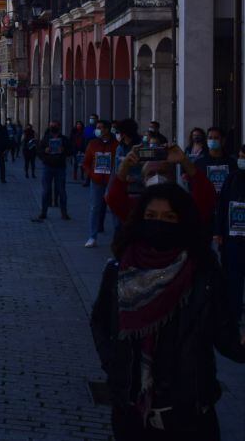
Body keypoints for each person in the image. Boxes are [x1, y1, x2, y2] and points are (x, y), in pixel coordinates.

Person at [90, 182, 245, 439]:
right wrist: (114, 366)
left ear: (183, 222)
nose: (159, 224)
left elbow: (226, 337)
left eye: (169, 217)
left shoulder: (201, 274)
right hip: (132, 413)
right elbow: (101, 323)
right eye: (151, 216)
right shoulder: (119, 271)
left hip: (190, 416)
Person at [215, 144, 245, 332]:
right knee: (233, 279)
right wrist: (218, 232)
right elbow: (222, 207)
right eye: (240, 156)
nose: (241, 159)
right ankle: (233, 317)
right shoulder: (232, 178)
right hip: (233, 239)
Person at [81, 120, 119, 248]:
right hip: (96, 181)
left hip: (111, 181)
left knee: (114, 209)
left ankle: (118, 238)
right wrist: (91, 174)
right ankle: (92, 237)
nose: (98, 130)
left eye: (100, 127)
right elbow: (86, 162)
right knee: (94, 208)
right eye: (97, 127)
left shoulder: (116, 145)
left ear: (107, 129)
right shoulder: (92, 144)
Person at [33, 121, 70, 221]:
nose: (53, 127)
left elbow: (70, 151)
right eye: (51, 125)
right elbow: (39, 152)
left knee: (62, 191)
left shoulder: (64, 139)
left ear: (59, 126)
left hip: (60, 167)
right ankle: (43, 212)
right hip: (48, 167)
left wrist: (64, 150)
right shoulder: (45, 139)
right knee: (46, 191)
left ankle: (64, 213)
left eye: (55, 125)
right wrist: (45, 152)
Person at [195, 127, 234, 196]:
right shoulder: (199, 163)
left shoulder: (232, 163)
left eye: (216, 138)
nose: (212, 140)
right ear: (206, 140)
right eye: (210, 138)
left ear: (223, 140)